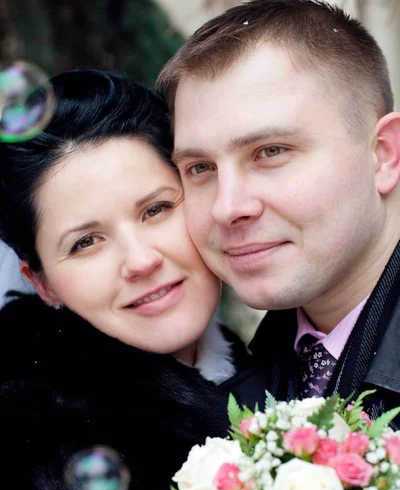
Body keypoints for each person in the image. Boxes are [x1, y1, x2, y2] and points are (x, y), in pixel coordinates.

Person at [0, 68, 264, 490]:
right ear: (42, 283)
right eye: (86, 242)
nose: (141, 261)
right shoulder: (29, 439)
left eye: (157, 209)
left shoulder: (258, 355)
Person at [158, 0, 400, 421]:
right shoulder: (249, 378)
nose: (228, 207)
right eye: (200, 168)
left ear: (383, 155)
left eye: (270, 152)